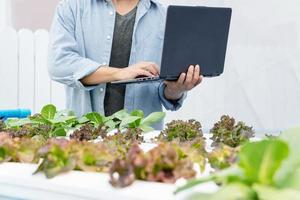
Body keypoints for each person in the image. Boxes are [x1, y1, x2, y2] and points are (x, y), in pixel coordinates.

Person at [48, 0, 203, 129]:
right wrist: (119, 73)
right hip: (86, 137)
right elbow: (59, 63)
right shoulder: (72, 7)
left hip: (141, 144)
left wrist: (176, 90)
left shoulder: (164, 17)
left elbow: (165, 90)